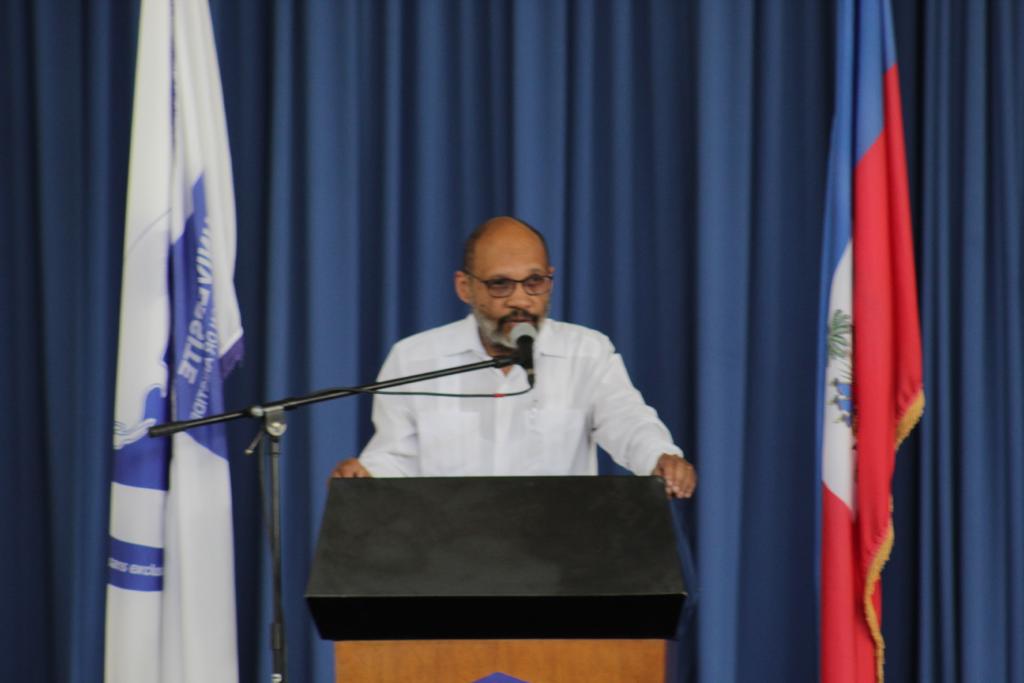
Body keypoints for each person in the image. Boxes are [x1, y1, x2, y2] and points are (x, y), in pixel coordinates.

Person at [332, 216, 697, 498]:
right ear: (465, 287)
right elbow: (395, 457)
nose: (520, 300)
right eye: (500, 285)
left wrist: (659, 457)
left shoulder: (585, 352)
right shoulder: (415, 359)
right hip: (447, 557)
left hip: (560, 559)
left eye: (534, 282)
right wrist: (366, 476)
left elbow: (628, 422)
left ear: (550, 280)